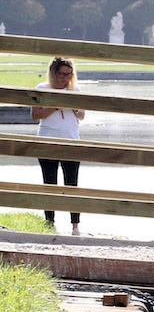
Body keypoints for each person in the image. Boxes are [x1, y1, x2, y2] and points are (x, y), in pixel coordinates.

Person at [31, 57, 85, 235]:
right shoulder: (42, 89)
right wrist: (56, 105)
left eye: (68, 74)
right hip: (48, 140)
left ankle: (75, 225)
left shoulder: (75, 89)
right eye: (61, 74)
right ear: (53, 73)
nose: (65, 78)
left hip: (71, 140)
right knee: (50, 182)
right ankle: (49, 222)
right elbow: (35, 115)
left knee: (72, 184)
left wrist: (73, 106)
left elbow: (82, 115)